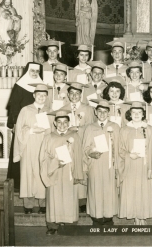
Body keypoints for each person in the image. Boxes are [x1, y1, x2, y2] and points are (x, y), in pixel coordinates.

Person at [39, 109, 82, 235]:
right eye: (59, 122)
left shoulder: (75, 136)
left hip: (69, 172)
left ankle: (70, 224)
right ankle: (52, 225)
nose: (62, 125)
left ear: (69, 123)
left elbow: (79, 156)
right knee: (54, 198)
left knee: (70, 197)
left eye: (65, 122)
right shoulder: (49, 137)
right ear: (54, 123)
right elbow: (43, 158)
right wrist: (56, 162)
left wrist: (77, 172)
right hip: (54, 172)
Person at [14, 84, 51, 214]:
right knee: (28, 173)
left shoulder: (49, 111)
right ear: (34, 95)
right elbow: (19, 129)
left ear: (47, 97)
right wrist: (30, 130)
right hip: (29, 144)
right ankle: (28, 205)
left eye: (44, 95)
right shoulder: (25, 110)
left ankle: (43, 204)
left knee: (42, 172)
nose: (41, 97)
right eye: (39, 94)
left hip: (43, 145)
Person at [118, 101, 152, 225]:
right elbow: (120, 149)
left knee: (144, 190)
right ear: (130, 114)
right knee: (132, 190)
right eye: (134, 112)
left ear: (143, 114)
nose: (136, 114)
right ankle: (135, 217)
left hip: (145, 165)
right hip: (130, 165)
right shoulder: (124, 130)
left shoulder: (151, 129)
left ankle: (143, 217)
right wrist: (129, 155)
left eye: (139, 112)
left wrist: (149, 157)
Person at [7, 62, 44, 190]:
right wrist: (15, 124)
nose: (34, 73)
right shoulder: (19, 86)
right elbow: (14, 106)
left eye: (37, 71)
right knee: (21, 151)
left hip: (39, 127)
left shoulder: (41, 87)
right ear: (27, 71)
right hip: (23, 125)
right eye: (32, 71)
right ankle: (19, 183)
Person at [82, 100, 120, 225]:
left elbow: (119, 147)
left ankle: (108, 218)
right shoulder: (90, 127)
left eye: (105, 111)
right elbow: (85, 148)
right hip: (95, 163)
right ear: (95, 112)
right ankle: (97, 218)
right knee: (95, 189)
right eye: (99, 111)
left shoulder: (115, 127)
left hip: (110, 164)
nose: (102, 114)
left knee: (109, 190)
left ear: (109, 113)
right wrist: (91, 153)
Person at [61, 82, 97, 213]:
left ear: (81, 95)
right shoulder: (64, 108)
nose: (74, 96)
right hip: (69, 142)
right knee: (70, 168)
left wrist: (79, 129)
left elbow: (93, 126)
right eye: (72, 93)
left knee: (82, 167)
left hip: (82, 141)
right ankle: (70, 198)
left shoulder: (88, 109)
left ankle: (82, 200)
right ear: (68, 95)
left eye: (77, 94)